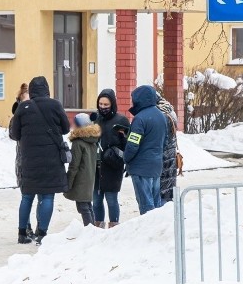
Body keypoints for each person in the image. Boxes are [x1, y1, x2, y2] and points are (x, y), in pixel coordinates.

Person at [9, 76, 70, 245]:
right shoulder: (55, 105)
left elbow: (15, 135)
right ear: (47, 89)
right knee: (47, 197)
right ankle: (42, 233)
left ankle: (22, 234)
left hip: (29, 161)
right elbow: (65, 128)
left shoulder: (23, 108)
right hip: (51, 160)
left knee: (27, 197)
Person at [123, 85, 168, 215]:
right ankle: (157, 228)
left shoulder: (140, 118)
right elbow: (164, 141)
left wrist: (126, 158)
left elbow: (133, 144)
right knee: (156, 202)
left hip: (140, 167)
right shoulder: (161, 116)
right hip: (156, 166)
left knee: (146, 204)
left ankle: (148, 231)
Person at [90, 88, 129, 228]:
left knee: (112, 200)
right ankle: (98, 227)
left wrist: (122, 138)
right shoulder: (96, 120)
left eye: (106, 105)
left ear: (112, 104)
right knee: (96, 200)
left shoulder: (121, 120)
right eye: (101, 104)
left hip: (112, 166)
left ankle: (114, 227)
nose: (103, 107)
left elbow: (127, 145)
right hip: (96, 167)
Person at [64, 113, 101, 226]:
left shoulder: (78, 142)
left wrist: (68, 183)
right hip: (89, 178)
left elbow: (74, 165)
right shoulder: (92, 140)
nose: (73, 126)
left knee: (83, 207)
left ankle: (89, 231)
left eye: (74, 124)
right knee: (87, 205)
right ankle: (92, 228)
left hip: (80, 179)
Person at [9, 83, 35, 243]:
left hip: (34, 160)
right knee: (27, 196)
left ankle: (29, 228)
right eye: (25, 101)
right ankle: (25, 228)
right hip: (23, 161)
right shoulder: (17, 118)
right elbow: (13, 134)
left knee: (32, 196)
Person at [156, 97, 180, 204]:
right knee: (168, 188)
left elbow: (161, 138)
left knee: (163, 190)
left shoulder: (162, 115)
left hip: (164, 156)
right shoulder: (169, 111)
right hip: (170, 156)